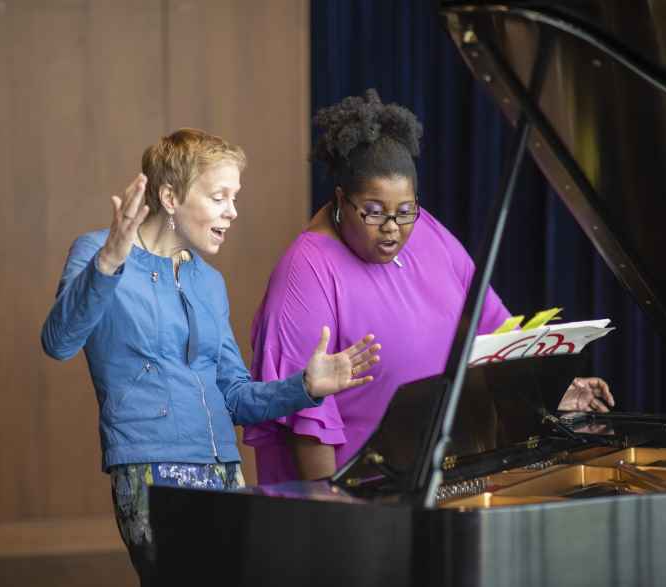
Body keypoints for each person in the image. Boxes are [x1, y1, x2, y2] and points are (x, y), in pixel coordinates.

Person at [40, 129, 380, 584]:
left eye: (235, 197)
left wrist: (305, 386)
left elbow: (235, 397)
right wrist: (107, 264)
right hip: (150, 467)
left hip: (224, 470)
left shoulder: (208, 282)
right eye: (220, 197)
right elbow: (58, 342)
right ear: (170, 196)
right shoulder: (97, 252)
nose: (232, 211)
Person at [244, 90, 614, 484]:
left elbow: (495, 328)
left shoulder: (428, 233)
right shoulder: (305, 272)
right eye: (373, 212)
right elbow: (308, 425)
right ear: (340, 200)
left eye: (405, 211)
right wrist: (337, 522)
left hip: (447, 481)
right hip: (364, 499)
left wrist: (551, 392)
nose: (392, 228)